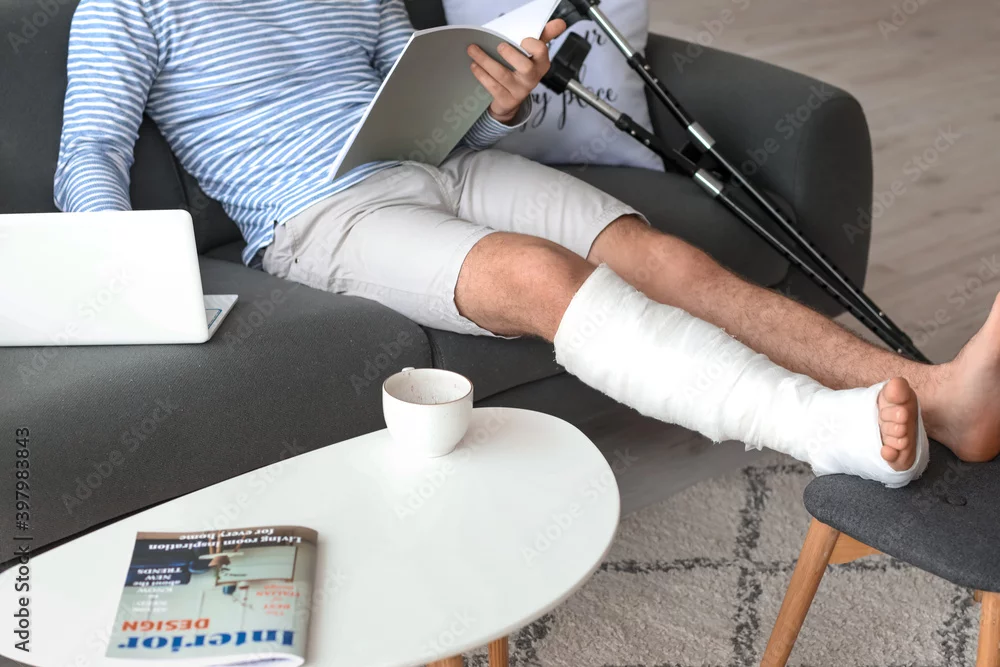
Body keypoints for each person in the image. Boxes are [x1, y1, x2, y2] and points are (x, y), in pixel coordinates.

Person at [56, 0, 999, 487]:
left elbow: (417, 93)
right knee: (541, 276)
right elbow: (88, 152)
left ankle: (936, 395)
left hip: (439, 163)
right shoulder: (126, 6)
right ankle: (820, 429)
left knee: (661, 254)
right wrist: (130, 281)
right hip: (321, 216)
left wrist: (501, 104)